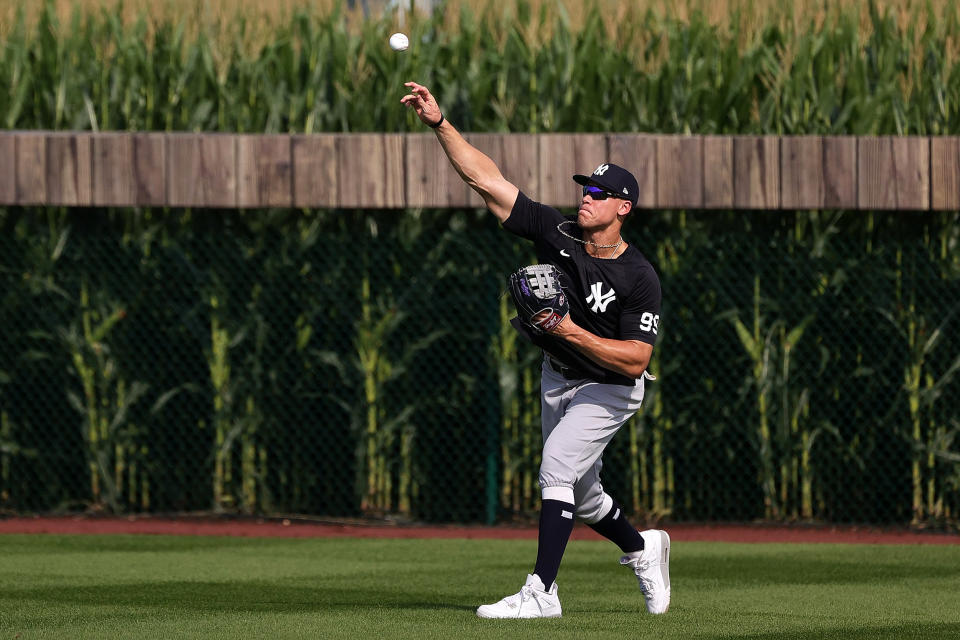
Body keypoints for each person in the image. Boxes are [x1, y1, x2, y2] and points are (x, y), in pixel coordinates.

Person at [401, 82, 669, 619]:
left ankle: (542, 593)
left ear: (624, 207)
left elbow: (637, 360)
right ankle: (644, 549)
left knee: (555, 469)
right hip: (559, 377)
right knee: (586, 496)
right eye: (584, 190)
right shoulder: (558, 233)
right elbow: (486, 179)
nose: (585, 198)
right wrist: (440, 123)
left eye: (597, 193)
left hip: (611, 388)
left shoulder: (639, 277)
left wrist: (568, 330)